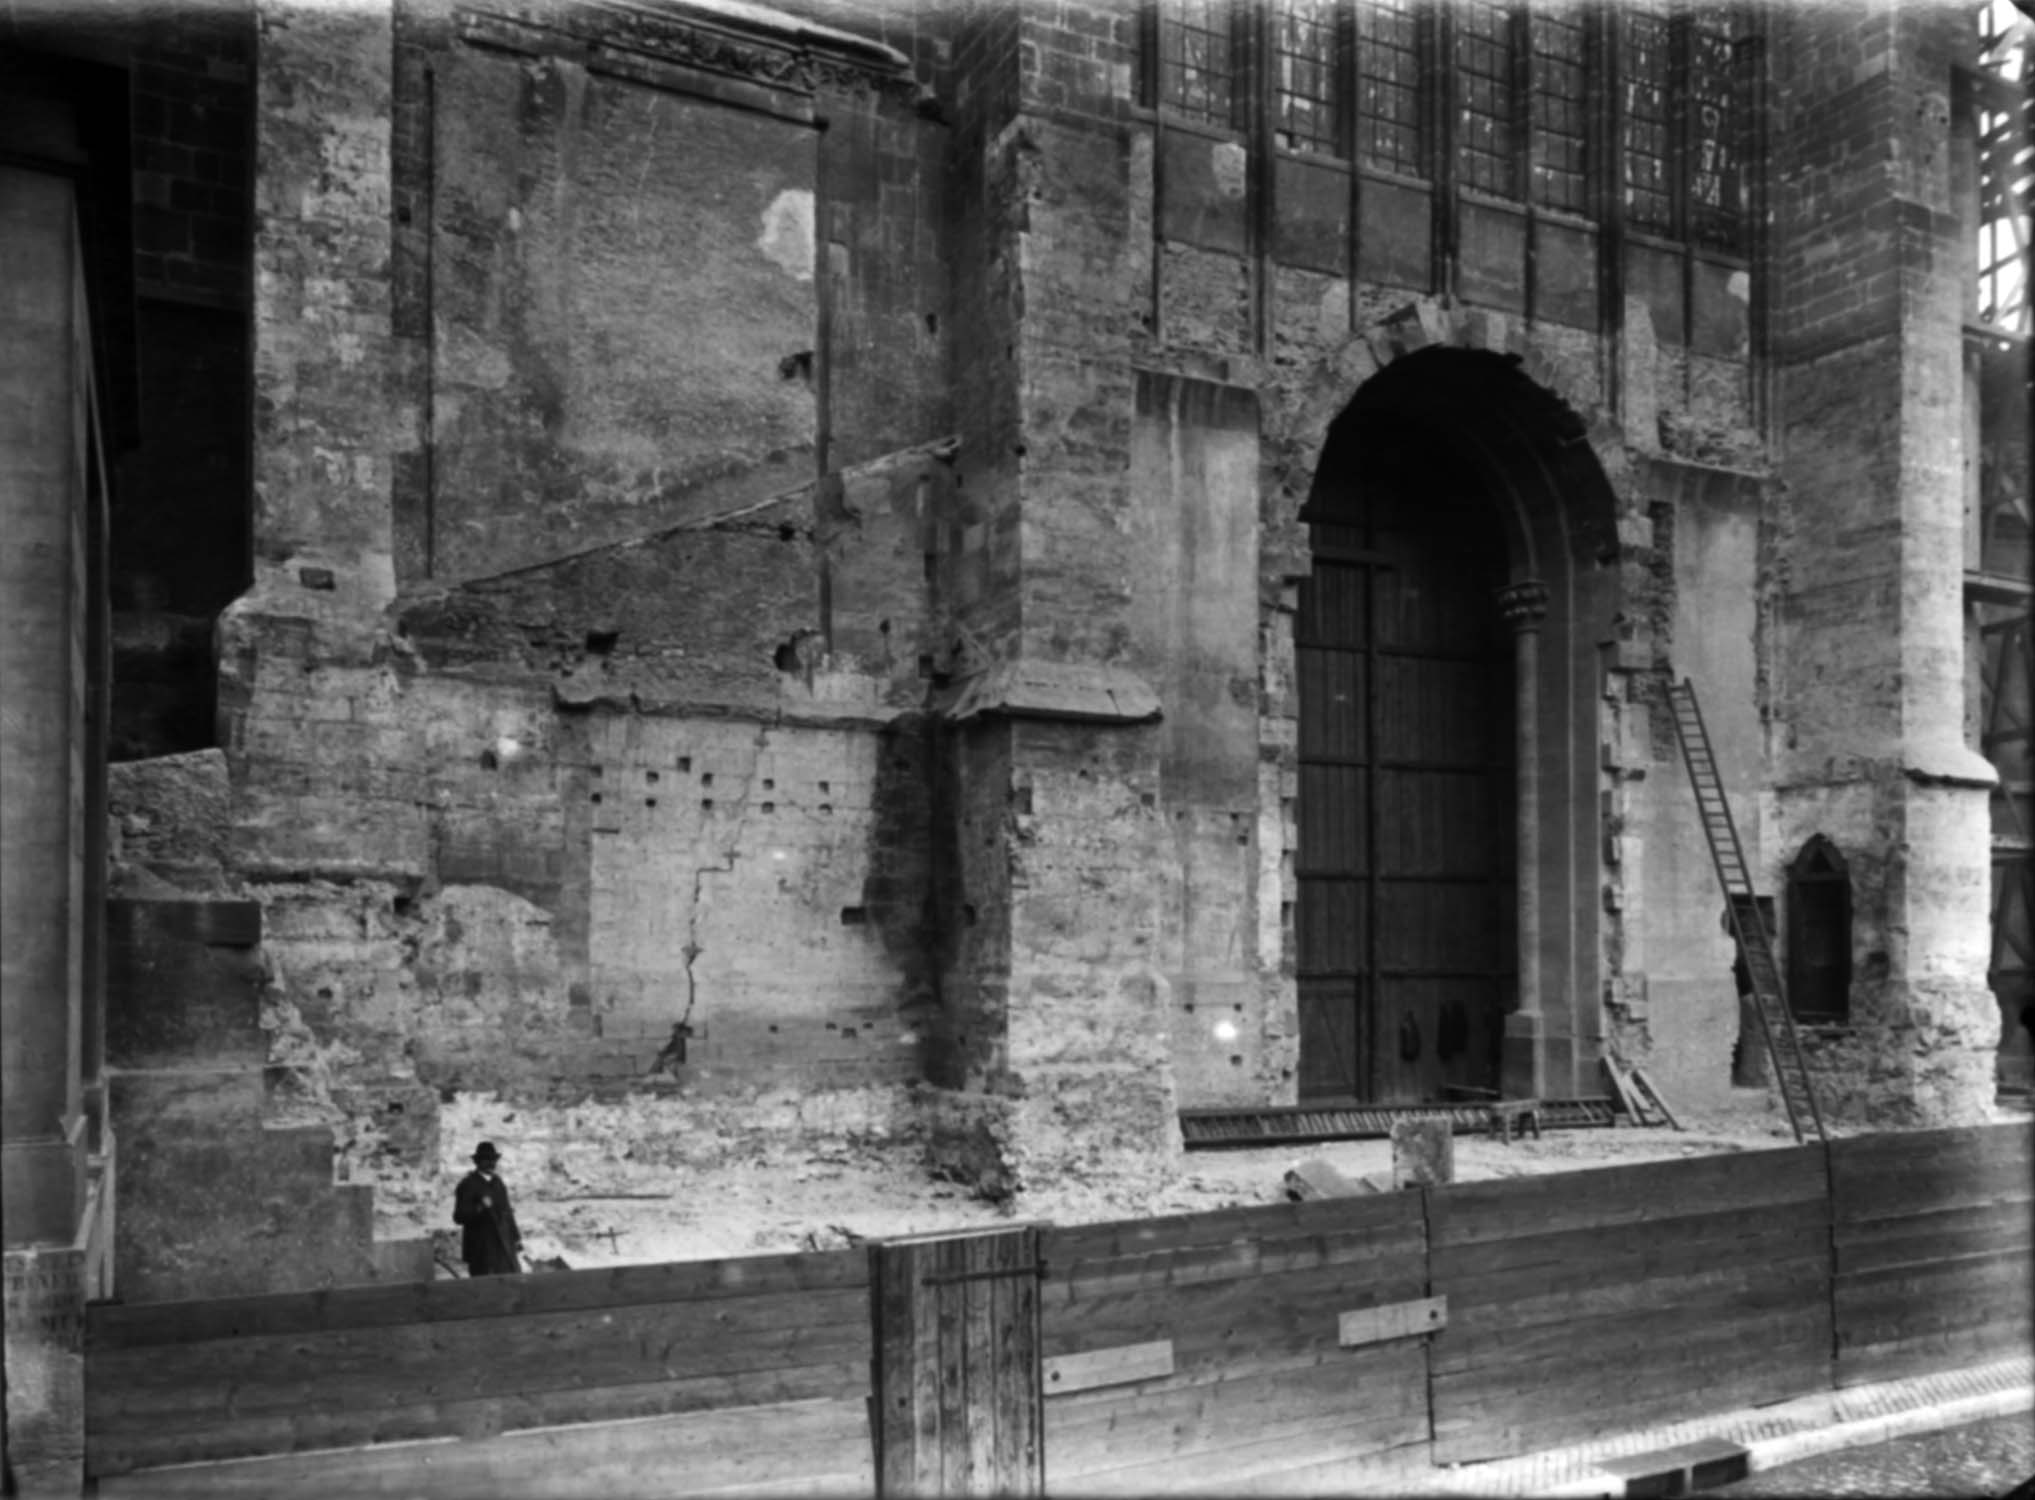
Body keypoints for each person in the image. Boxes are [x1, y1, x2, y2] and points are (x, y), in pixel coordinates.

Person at [453, 1140, 523, 1276]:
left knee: (510, 1281)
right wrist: (480, 1207)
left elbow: (507, 1211)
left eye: (493, 1160)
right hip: (482, 1246)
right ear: (477, 1162)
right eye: (487, 1160)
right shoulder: (468, 1185)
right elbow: (459, 1216)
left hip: (504, 1244)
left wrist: (516, 1238)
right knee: (486, 1284)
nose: (492, 1164)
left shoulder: (498, 1182)